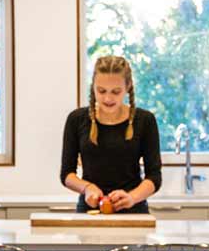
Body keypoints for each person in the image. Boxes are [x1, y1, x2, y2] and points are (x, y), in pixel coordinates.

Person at [60, 54, 163, 214]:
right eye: (101, 91)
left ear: (128, 87)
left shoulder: (145, 120)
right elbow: (67, 174)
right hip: (90, 212)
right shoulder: (76, 119)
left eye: (116, 92)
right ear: (93, 86)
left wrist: (132, 197)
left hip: (133, 212)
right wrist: (87, 188)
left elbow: (154, 177)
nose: (108, 98)